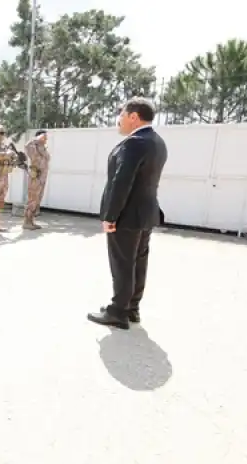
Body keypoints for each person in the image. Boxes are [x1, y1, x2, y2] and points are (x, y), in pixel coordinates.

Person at [87, 97, 168, 329]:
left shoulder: (134, 143)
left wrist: (110, 216)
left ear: (134, 117)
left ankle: (118, 312)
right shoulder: (157, 142)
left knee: (122, 263)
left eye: (121, 115)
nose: (119, 120)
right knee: (138, 263)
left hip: (127, 216)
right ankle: (132, 308)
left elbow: (121, 182)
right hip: (146, 214)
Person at [23, 129, 51, 230]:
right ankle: (26, 222)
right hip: (36, 176)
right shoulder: (33, 146)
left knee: (38, 199)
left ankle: (31, 221)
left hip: (42, 178)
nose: (46, 138)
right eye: (44, 136)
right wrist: (36, 139)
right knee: (32, 199)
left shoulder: (43, 148)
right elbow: (26, 146)